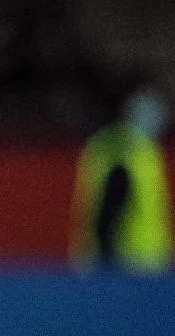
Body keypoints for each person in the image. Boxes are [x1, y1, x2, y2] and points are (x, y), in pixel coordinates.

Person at [71, 89, 171, 273]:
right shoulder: (128, 150)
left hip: (141, 260)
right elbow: (109, 207)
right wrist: (106, 257)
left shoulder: (135, 147)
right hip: (128, 263)